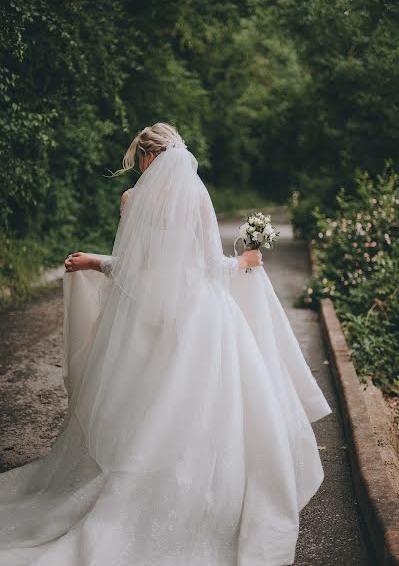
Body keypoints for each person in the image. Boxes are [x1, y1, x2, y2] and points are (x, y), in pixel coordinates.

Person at [0, 122, 331, 565]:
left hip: (148, 319)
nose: (141, 168)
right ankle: (206, 494)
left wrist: (95, 262)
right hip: (202, 319)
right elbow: (211, 265)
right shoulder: (196, 196)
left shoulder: (131, 200)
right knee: (205, 410)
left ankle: (133, 479)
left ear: (148, 158)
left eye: (140, 159)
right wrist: (246, 261)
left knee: (146, 404)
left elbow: (138, 271)